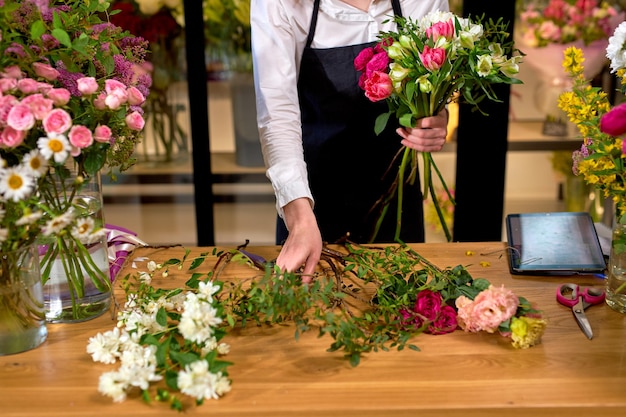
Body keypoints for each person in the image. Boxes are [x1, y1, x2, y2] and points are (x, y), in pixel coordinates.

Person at [251, 0, 450, 281]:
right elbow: (277, 112)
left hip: (396, 192)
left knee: (401, 301)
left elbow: (432, 78)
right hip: (309, 197)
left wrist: (433, 115)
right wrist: (298, 216)